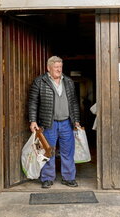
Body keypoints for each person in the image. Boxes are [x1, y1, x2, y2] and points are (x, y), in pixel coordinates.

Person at [28, 56, 80, 188]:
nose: (59, 70)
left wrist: (76, 120)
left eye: (60, 67)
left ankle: (68, 178)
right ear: (48, 68)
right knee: (48, 151)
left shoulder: (68, 81)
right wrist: (33, 120)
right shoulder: (40, 82)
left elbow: (74, 103)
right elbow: (33, 102)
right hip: (48, 123)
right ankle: (47, 178)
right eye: (56, 67)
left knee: (68, 151)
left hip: (67, 123)